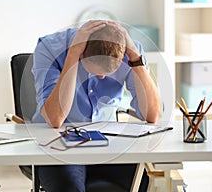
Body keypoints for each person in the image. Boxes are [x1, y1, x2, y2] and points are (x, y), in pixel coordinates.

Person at [32, 20, 161, 192]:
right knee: (69, 188)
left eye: (107, 74)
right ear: (83, 54)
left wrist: (136, 60)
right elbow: (55, 119)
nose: (101, 78)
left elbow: (152, 115)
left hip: (106, 146)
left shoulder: (130, 52)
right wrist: (72, 55)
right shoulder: (49, 48)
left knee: (152, 182)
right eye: (95, 72)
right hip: (59, 147)